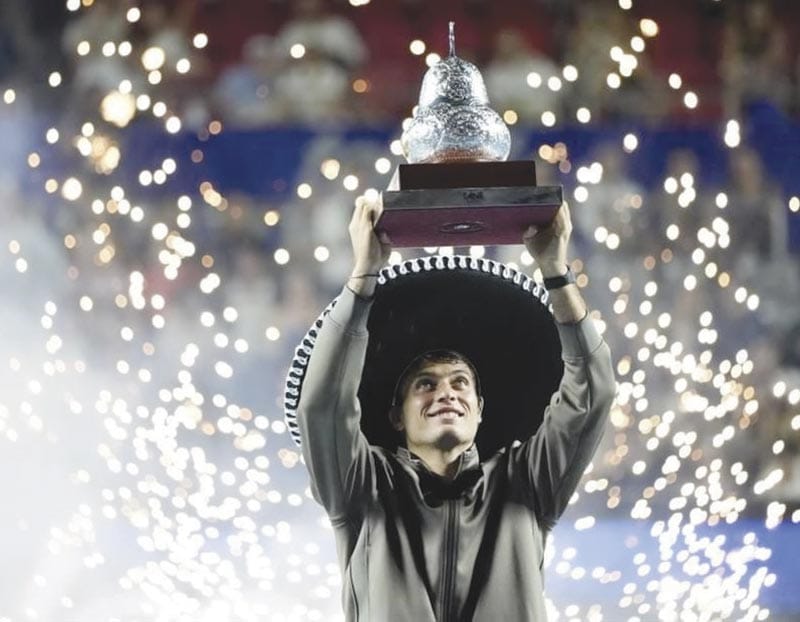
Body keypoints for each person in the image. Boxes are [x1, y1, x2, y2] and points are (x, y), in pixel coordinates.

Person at [295, 194, 615, 620]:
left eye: (460, 383)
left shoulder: (526, 481)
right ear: (396, 416)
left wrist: (556, 271)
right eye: (425, 385)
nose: (446, 393)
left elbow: (593, 393)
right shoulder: (361, 486)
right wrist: (363, 276)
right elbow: (325, 407)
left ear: (480, 410)